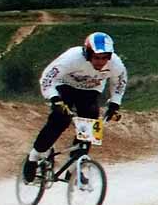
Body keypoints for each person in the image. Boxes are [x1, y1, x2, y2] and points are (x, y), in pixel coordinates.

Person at [22, 32, 127, 184]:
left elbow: (120, 82)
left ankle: (74, 170)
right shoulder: (72, 58)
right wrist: (54, 98)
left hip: (91, 90)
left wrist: (115, 103)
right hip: (65, 86)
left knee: (91, 124)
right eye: (97, 58)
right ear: (87, 53)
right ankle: (34, 156)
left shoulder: (116, 64)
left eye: (105, 58)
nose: (100, 62)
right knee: (60, 119)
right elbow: (47, 78)